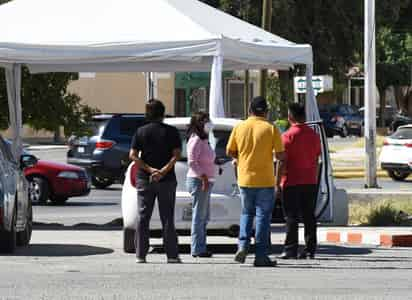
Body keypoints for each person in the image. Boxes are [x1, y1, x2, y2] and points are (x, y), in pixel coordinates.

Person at [226, 96, 285, 267]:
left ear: (249, 110)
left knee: (246, 213)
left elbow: (230, 151)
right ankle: (261, 255)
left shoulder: (240, 127)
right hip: (265, 180)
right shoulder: (271, 128)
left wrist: (241, 158)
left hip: (244, 179)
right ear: (266, 111)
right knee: (262, 218)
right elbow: (280, 155)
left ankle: (243, 246)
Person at [129, 99, 182, 264]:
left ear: (147, 113)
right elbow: (177, 154)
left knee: (143, 216)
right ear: (163, 113)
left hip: (145, 178)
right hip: (166, 179)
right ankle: (172, 255)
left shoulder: (141, 132)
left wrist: (150, 170)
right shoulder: (172, 132)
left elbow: (132, 155)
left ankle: (140, 255)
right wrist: (163, 170)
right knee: (167, 216)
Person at [278, 103, 321, 260]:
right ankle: (310, 249)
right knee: (309, 216)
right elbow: (317, 159)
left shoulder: (287, 136)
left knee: (291, 217)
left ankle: (290, 249)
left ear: (290, 117)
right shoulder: (314, 136)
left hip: (291, 181)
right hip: (310, 181)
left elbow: (282, 161)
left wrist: (277, 182)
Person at [186, 112, 216, 258]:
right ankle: (197, 248)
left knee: (204, 216)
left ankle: (201, 247)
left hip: (206, 181)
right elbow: (192, 161)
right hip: (199, 181)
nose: (208, 123)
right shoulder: (196, 139)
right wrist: (203, 177)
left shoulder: (204, 140)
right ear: (199, 123)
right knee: (199, 216)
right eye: (205, 120)